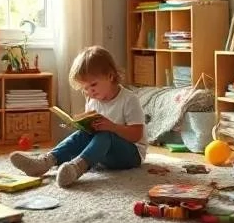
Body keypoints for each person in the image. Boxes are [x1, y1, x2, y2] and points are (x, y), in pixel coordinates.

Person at [9, 45, 148, 188]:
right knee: (82, 134)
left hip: (131, 155)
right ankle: (45, 162)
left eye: (93, 85)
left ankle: (76, 168)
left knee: (105, 134)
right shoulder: (92, 100)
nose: (90, 92)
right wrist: (81, 126)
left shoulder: (129, 99)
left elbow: (136, 135)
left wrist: (112, 127)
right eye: (85, 88)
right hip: (103, 154)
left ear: (110, 76)